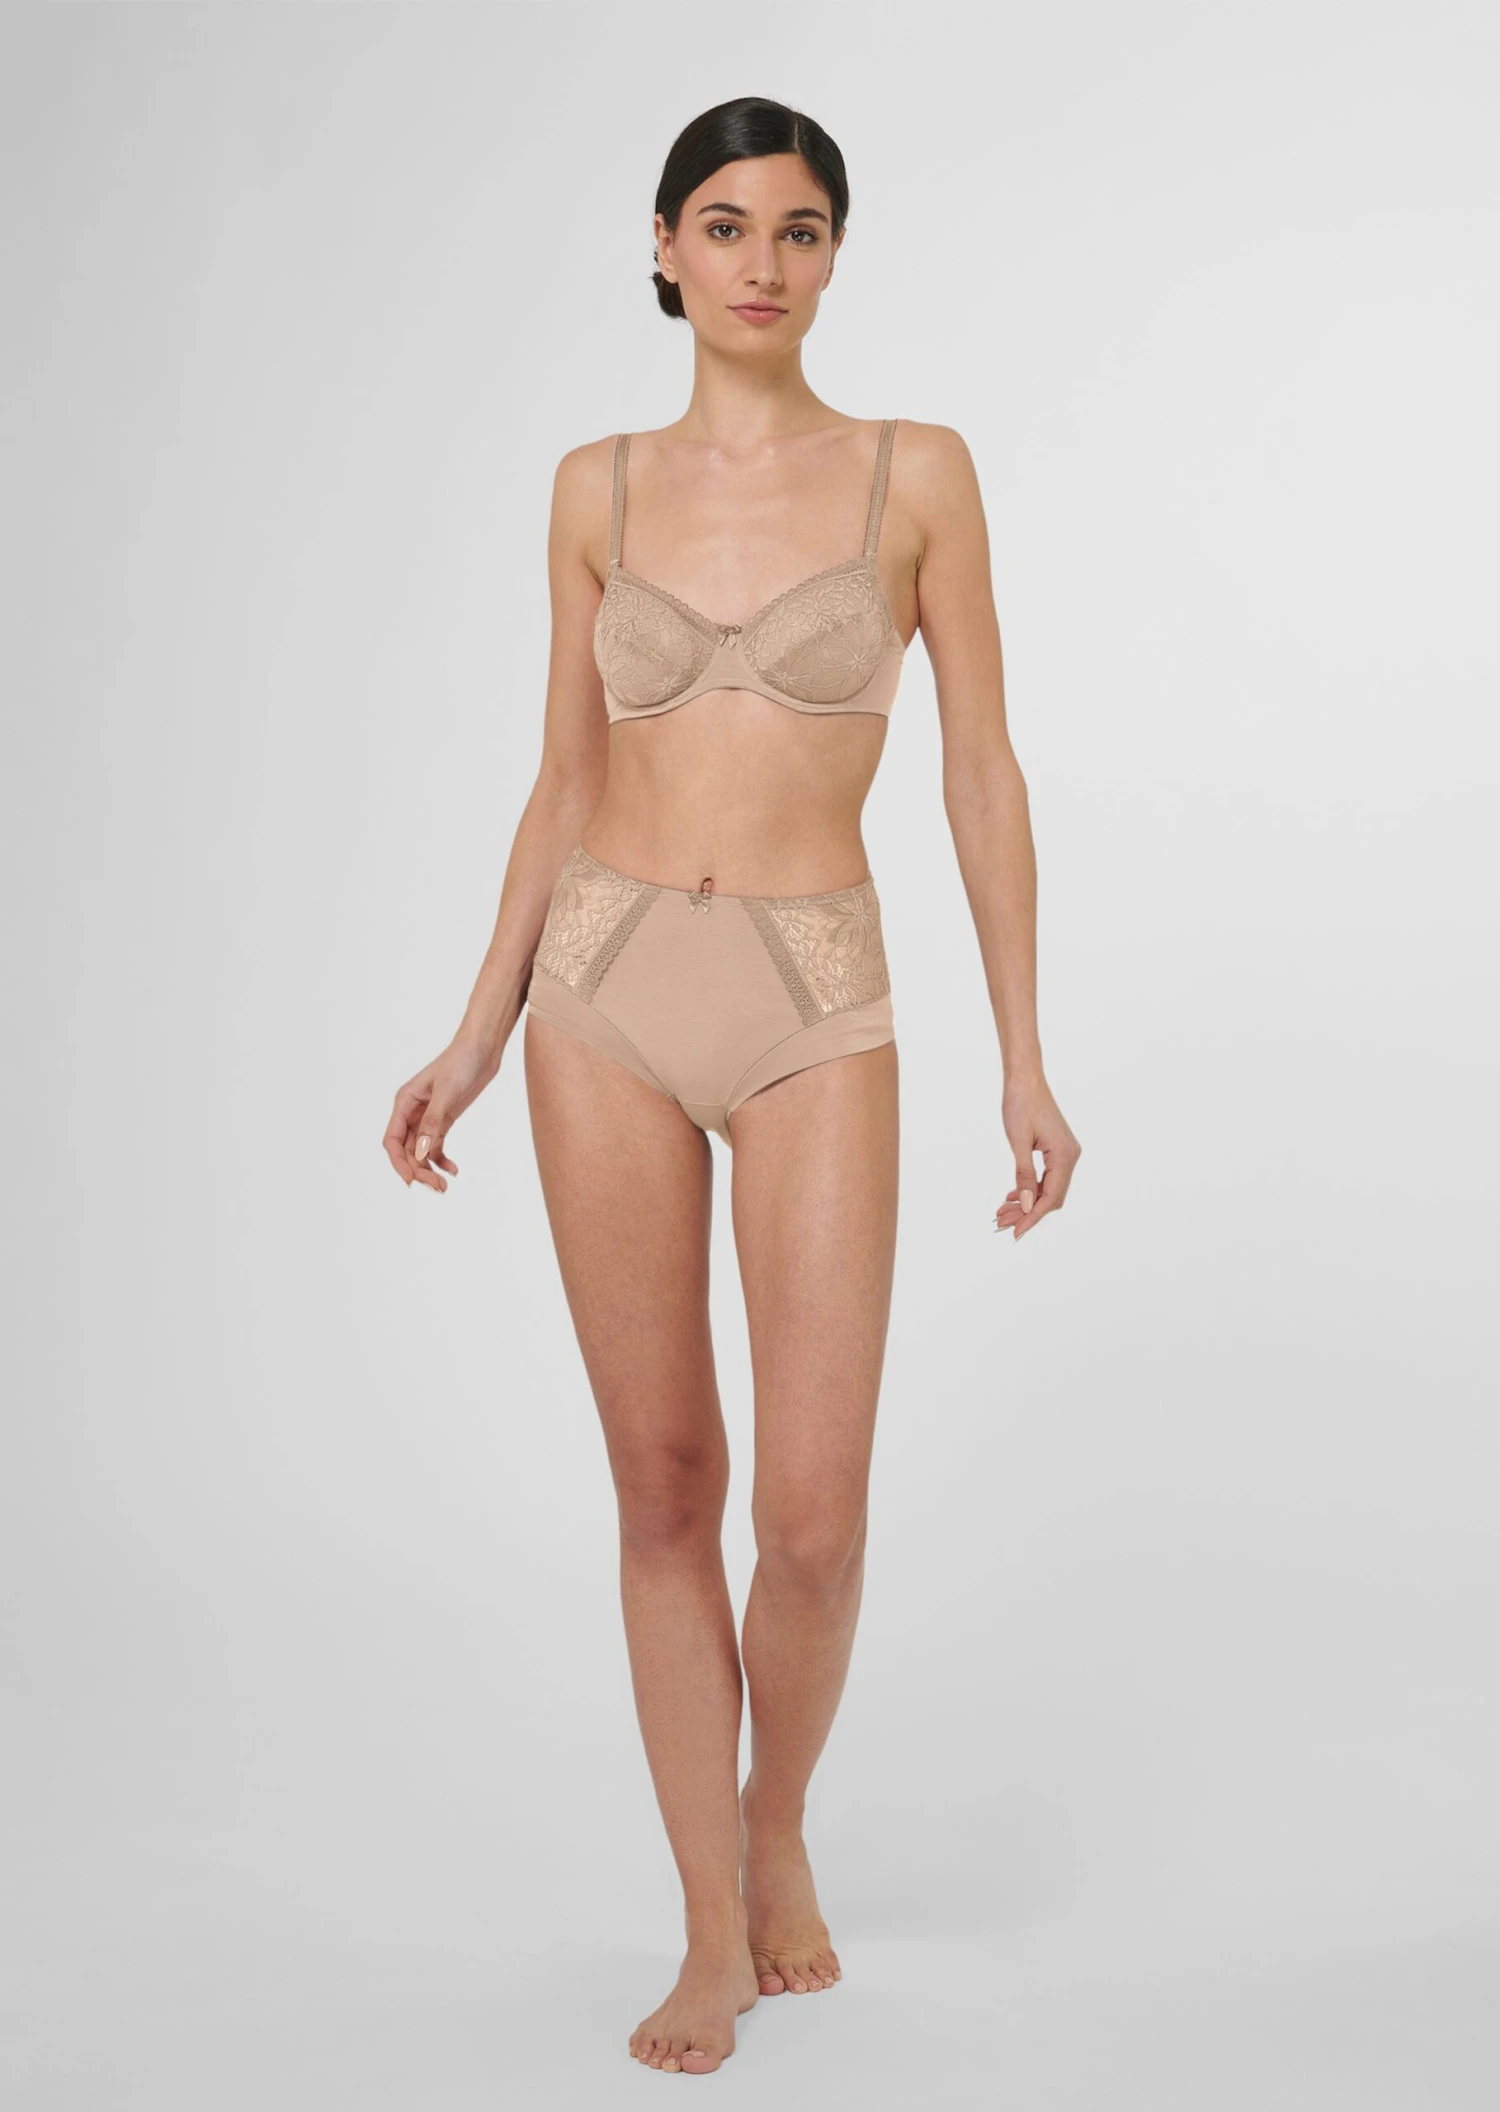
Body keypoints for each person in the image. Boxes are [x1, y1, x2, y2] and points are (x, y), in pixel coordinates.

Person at [383, 94, 1081, 2077]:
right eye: (723, 224)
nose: (760, 263)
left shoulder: (917, 472)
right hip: (605, 990)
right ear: (664, 249)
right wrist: (476, 1030)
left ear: (834, 256)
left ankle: (781, 1823)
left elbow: (981, 771)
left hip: (812, 993)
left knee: (817, 1517)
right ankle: (710, 1920)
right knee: (667, 1487)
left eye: (798, 229)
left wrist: (1026, 1053)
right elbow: (565, 780)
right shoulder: (592, 488)